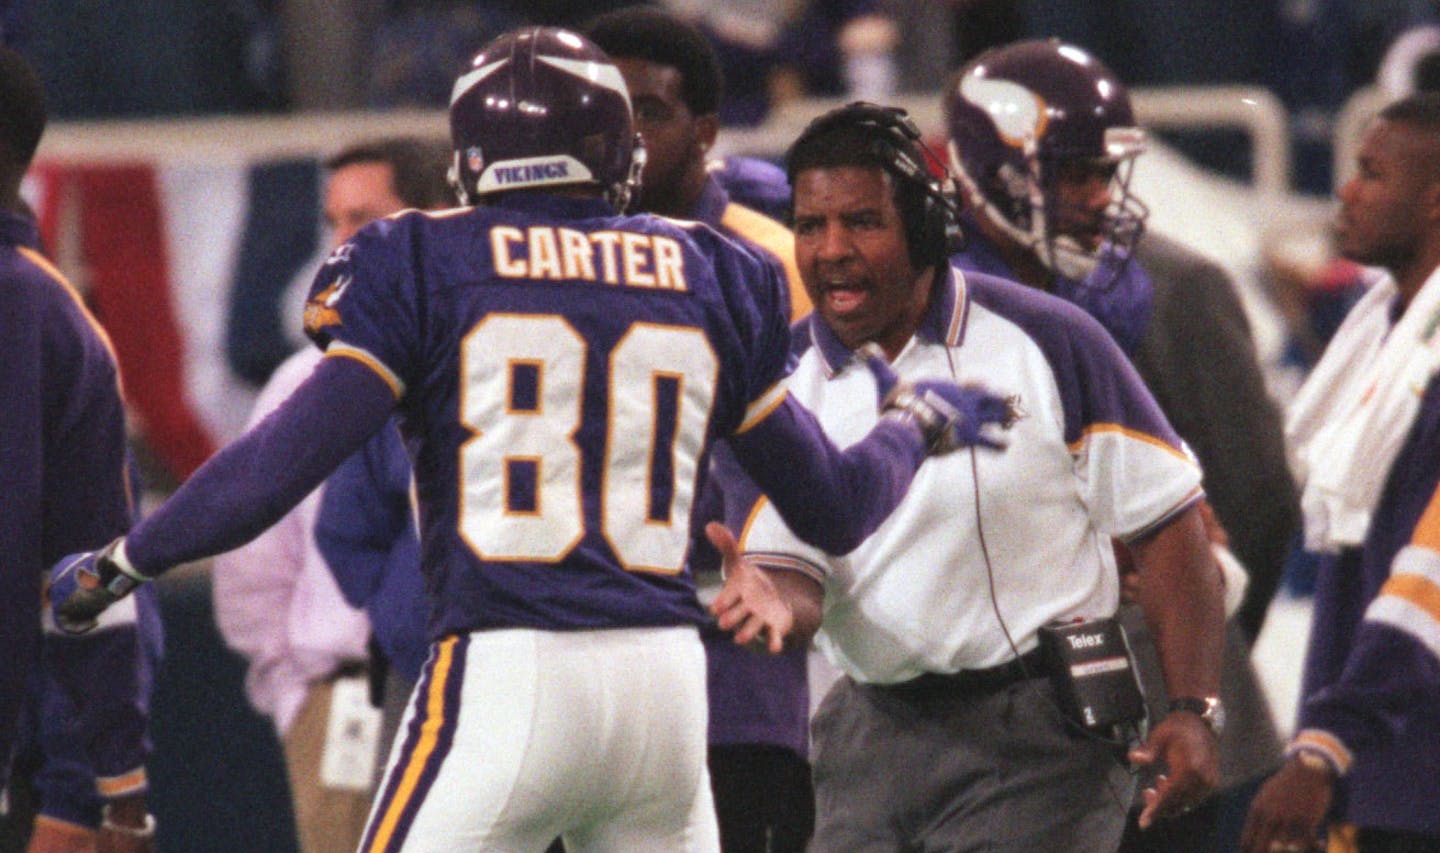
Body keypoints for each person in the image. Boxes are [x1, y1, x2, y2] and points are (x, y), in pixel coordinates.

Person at [46, 28, 1012, 853]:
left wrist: (124, 561)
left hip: (505, 674)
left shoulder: (420, 257)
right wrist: (912, 424)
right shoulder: (715, 270)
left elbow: (280, 465)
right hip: (667, 694)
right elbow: (836, 506)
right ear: (618, 152)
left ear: (470, 159)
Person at [721, 100, 1225, 853]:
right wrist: (776, 603)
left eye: (861, 222)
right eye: (809, 225)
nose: (829, 250)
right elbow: (793, 568)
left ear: (927, 227)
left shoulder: (1049, 337)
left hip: (1042, 731)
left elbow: (1167, 523)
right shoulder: (777, 383)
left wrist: (1191, 705)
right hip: (870, 731)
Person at [943, 39, 1298, 850]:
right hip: (978, 742)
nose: (1101, 197)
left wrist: (1195, 642)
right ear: (991, 169)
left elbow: (1260, 505)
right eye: (1076, 173)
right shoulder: (917, 301)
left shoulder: (1174, 289)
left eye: (1107, 173)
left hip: (1161, 722)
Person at [585, 8, 816, 850]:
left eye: (646, 110)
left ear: (706, 131)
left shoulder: (778, 265)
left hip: (739, 686)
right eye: (602, 106)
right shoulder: (541, 252)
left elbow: (817, 484)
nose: (621, 134)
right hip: (578, 690)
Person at [210, 136, 451, 853]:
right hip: (352, 694)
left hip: (478, 687)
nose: (341, 244)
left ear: (435, 219)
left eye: (364, 220)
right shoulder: (300, 382)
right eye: (334, 222)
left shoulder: (486, 355)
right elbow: (250, 565)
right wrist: (299, 693)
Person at [1241, 92, 1440, 853]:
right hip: (1378, 765)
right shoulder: (1381, 332)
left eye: (1371, 173)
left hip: (1407, 772)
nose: (1345, 190)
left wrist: (1325, 743)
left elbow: (1428, 581)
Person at [0, 44, 155, 851]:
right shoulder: (57, 320)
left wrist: (99, 786)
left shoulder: (46, 321)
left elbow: (93, 576)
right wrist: (118, 790)